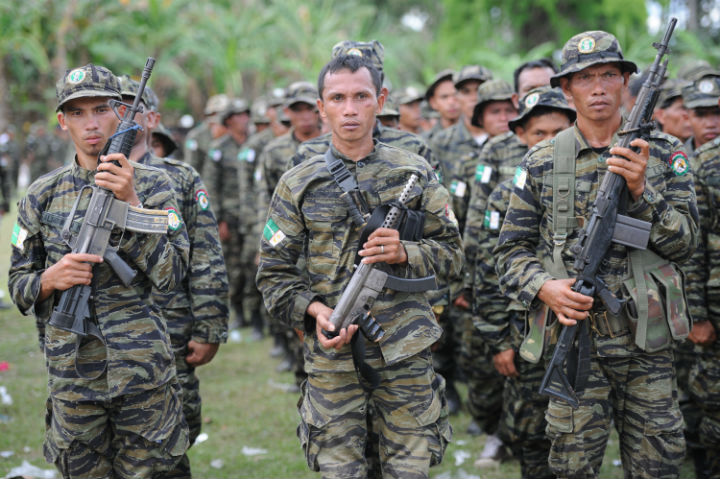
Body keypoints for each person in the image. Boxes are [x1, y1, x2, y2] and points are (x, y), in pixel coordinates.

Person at [495, 31, 697, 479]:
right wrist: (545, 287)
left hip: (649, 346)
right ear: (566, 89)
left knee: (659, 468)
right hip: (576, 343)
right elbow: (508, 252)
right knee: (570, 468)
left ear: (626, 82)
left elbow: (686, 242)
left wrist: (643, 193)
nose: (599, 87)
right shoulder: (539, 161)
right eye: (585, 78)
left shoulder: (665, 154)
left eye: (609, 74)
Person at [256, 53, 462, 479]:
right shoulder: (298, 183)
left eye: (361, 96)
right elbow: (273, 275)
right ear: (321, 107)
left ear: (380, 99)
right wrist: (316, 313)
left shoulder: (415, 172)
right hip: (333, 357)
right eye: (338, 98)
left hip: (405, 350)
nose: (350, 109)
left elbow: (454, 255)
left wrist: (406, 252)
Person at [8, 64, 190, 478]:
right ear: (62, 121)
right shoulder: (41, 194)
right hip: (73, 374)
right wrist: (50, 279)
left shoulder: (157, 187)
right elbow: (17, 286)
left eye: (100, 110)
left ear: (119, 113)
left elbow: (173, 274)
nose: (91, 123)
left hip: (142, 371)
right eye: (77, 113)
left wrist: (132, 202)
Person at [118, 75, 230, 477]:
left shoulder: (181, 179)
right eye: (113, 109)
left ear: (151, 118)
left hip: (170, 327)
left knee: (176, 432)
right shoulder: (83, 180)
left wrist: (209, 327)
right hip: (104, 336)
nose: (122, 119)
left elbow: (206, 258)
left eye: (131, 109)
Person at [470, 86, 575, 476]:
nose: (548, 142)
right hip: (527, 333)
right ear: (520, 137)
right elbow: (488, 269)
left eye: (558, 133)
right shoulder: (506, 194)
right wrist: (499, 340)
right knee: (532, 433)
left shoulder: (596, 186)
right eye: (538, 134)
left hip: (585, 330)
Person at [424, 69, 460, 140]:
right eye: (444, 97)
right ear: (433, 102)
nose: (451, 102)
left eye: (456, 94)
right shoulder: (426, 142)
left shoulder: (482, 135)